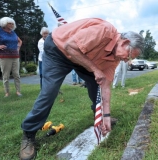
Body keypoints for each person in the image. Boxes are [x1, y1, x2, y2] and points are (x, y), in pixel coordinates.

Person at [19, 18, 144, 160]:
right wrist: (95, 70)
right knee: (50, 91)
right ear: (125, 42)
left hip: (81, 57)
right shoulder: (103, 31)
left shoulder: (115, 58)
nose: (126, 60)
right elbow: (69, 46)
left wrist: (106, 116)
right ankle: (28, 134)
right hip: (58, 49)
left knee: (97, 84)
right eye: (128, 56)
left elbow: (105, 85)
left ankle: (99, 117)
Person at [0, 17, 22, 97]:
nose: (11, 25)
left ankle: (18, 91)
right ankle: (7, 92)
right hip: (4, 56)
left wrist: (18, 48)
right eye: (9, 23)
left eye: (12, 23)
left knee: (16, 74)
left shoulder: (13, 32)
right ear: (4, 23)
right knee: (6, 75)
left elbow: (20, 41)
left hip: (15, 56)